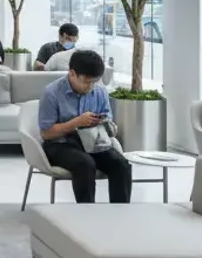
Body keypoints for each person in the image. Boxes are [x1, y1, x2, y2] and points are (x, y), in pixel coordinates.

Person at [38, 49, 132, 204]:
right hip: (60, 145)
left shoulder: (100, 92)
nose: (90, 87)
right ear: (72, 73)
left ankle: (120, 212)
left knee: (121, 164)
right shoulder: (52, 93)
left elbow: (107, 120)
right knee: (85, 164)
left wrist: (107, 125)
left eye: (94, 82)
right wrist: (76, 123)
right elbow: (46, 133)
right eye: (87, 82)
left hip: (93, 142)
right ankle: (86, 212)